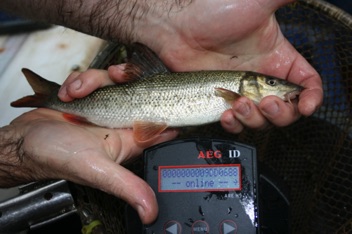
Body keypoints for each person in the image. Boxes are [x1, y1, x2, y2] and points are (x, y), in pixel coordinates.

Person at [0, 0, 322, 224]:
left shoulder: (242, 87)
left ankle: (49, 98)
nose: (276, 86)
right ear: (250, 83)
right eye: (268, 82)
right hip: (123, 99)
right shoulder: (237, 84)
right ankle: (48, 97)